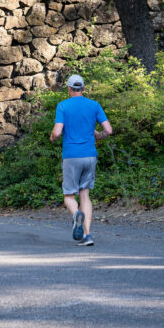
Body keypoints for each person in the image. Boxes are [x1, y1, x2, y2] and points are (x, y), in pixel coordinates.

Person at [49, 74, 112, 246]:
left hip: (71, 156)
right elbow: (108, 130)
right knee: (85, 194)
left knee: (69, 195)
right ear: (84, 89)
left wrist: (52, 138)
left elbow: (57, 132)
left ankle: (76, 214)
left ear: (69, 89)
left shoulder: (63, 106)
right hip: (90, 155)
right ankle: (87, 235)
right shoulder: (94, 105)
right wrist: (99, 136)